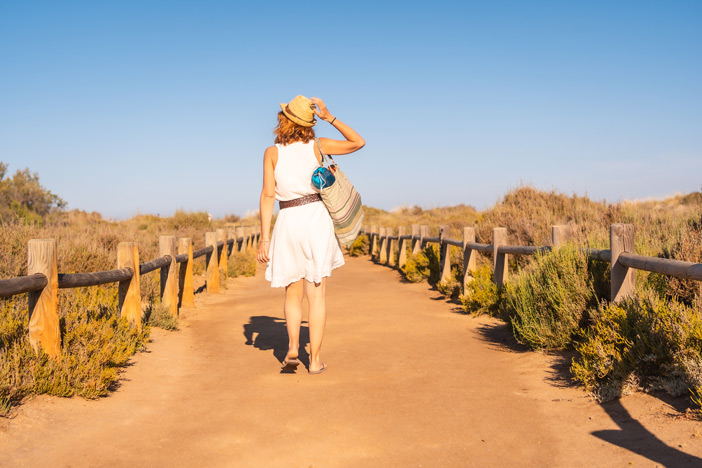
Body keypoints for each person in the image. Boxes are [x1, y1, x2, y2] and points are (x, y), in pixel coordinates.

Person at [256, 95, 365, 374]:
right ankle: (314, 361)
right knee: (316, 295)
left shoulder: (272, 152)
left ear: (283, 120)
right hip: (315, 218)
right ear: (309, 123)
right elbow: (358, 142)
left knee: (292, 293)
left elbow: (268, 195)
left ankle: (292, 348)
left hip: (288, 219)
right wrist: (330, 117)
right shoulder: (318, 146)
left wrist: (264, 237)